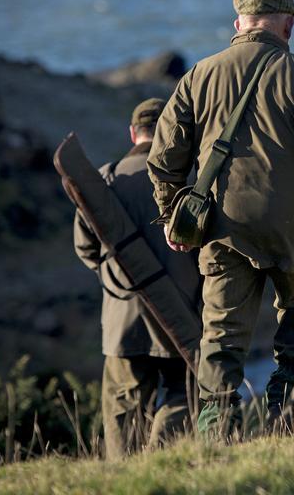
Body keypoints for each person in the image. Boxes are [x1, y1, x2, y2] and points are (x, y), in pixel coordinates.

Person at [147, 0, 294, 436]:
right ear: (288, 26)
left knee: (221, 330)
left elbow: (164, 158)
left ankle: (217, 429)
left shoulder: (198, 75)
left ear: (239, 24)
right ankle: (286, 409)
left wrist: (171, 215)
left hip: (222, 226)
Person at [73, 98, 201, 459]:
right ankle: (159, 461)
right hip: (182, 313)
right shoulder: (190, 179)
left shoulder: (105, 179)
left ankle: (126, 476)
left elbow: (85, 250)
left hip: (123, 318)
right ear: (170, 132)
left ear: (132, 132)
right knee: (185, 392)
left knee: (124, 407)